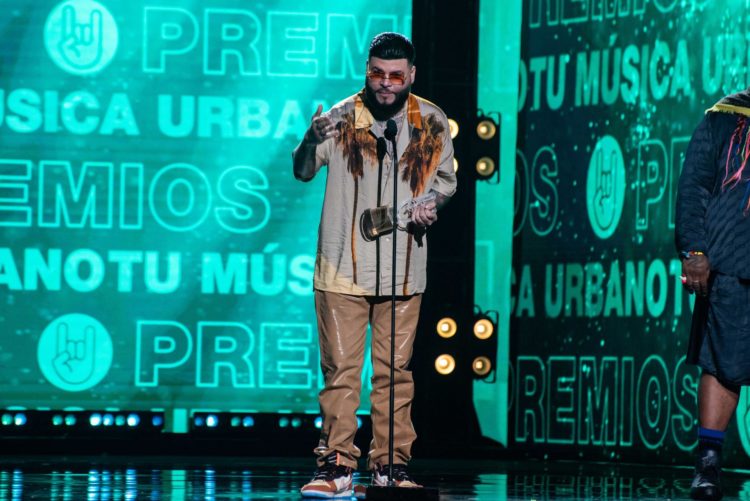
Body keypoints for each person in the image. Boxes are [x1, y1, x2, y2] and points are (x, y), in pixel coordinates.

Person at [292, 32, 456, 498]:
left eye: (395, 76)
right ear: (366, 70)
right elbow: (303, 170)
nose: (386, 84)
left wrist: (432, 205)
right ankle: (337, 465)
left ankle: (390, 467)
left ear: (411, 76)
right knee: (341, 372)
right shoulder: (340, 118)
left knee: (395, 374)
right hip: (342, 267)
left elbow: (446, 183)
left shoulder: (432, 121)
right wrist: (309, 138)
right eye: (377, 74)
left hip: (403, 268)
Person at [676, 89, 750, 501]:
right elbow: (694, 187)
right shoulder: (725, 116)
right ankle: (708, 463)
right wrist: (695, 250)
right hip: (732, 259)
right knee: (722, 364)